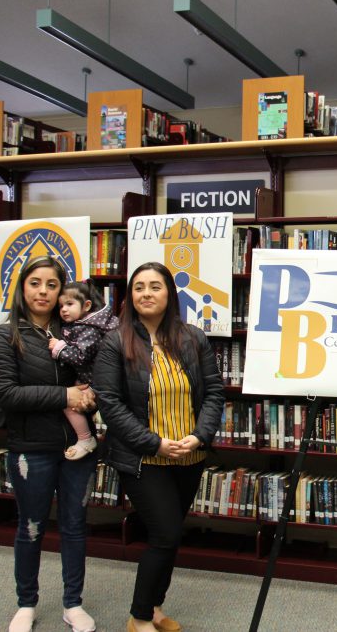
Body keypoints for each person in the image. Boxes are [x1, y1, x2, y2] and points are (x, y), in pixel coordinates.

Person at [92, 262, 225, 632]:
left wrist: (200, 436)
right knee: (165, 533)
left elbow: (214, 392)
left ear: (170, 294)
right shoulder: (114, 342)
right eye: (138, 288)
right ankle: (138, 617)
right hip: (142, 458)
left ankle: (155, 608)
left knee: (170, 535)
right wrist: (155, 443)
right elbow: (110, 404)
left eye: (155, 286)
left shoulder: (192, 337)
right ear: (130, 296)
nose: (146, 294)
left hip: (190, 455)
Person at [0, 256, 98, 632]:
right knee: (30, 526)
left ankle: (73, 603)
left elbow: (95, 375)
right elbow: (7, 393)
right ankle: (26, 603)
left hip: (77, 450)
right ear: (22, 287)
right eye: (36, 283)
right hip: (30, 447)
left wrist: (92, 395)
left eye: (52, 285)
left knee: (74, 526)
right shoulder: (5, 335)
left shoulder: (75, 331)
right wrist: (65, 396)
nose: (44, 292)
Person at [48, 279, 120, 460]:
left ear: (87, 305)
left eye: (69, 304)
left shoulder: (89, 328)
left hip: (97, 381)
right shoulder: (86, 325)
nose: (64, 309)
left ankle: (85, 439)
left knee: (70, 404)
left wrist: (59, 348)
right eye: (61, 306)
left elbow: (81, 357)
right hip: (92, 378)